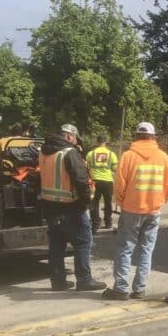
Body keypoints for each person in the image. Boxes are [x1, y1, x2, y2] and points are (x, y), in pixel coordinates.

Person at [104, 122, 168, 301]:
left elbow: (119, 184)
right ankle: (140, 289)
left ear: (136, 136)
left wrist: (122, 202)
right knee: (146, 249)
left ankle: (121, 289)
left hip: (131, 210)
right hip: (153, 210)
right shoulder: (163, 157)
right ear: (153, 137)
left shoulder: (127, 156)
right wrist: (160, 201)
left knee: (125, 250)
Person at [39, 124, 106, 292]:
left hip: (50, 206)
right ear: (69, 136)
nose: (75, 142)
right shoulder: (69, 153)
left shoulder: (44, 152)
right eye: (75, 138)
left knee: (56, 245)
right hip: (70, 206)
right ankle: (84, 280)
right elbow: (81, 181)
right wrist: (86, 203)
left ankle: (58, 281)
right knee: (83, 242)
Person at [86, 135, 119, 233]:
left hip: (95, 181)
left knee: (94, 202)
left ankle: (95, 223)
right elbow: (115, 168)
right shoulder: (111, 154)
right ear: (105, 142)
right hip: (107, 181)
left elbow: (86, 167)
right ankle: (108, 222)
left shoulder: (90, 154)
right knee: (108, 202)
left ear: (97, 142)